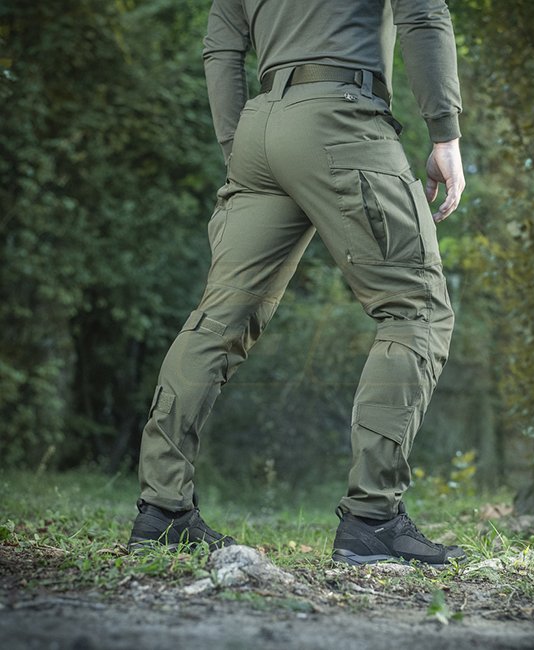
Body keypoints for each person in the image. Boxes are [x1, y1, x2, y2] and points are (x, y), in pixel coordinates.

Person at [127, 0, 466, 566]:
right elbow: (423, 14)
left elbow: (221, 47)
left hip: (259, 130)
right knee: (416, 312)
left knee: (217, 321)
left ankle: (162, 509)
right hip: (341, 119)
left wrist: (237, 148)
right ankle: (373, 518)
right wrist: (445, 136)